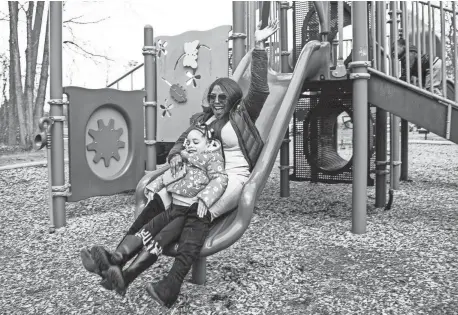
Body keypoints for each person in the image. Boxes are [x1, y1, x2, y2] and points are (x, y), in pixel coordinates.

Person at [81, 19, 279, 308]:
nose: (216, 101)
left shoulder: (241, 116)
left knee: (195, 211)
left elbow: (260, 90)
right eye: (212, 96)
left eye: (222, 97)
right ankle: (118, 259)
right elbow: (182, 141)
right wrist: (174, 155)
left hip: (232, 175)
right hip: (199, 172)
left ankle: (158, 280)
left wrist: (259, 46)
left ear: (234, 99)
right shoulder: (202, 120)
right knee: (160, 199)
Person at [81, 125, 228, 296]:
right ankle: (116, 260)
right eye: (188, 142)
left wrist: (205, 198)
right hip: (173, 207)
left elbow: (220, 178)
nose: (190, 145)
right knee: (147, 231)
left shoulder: (211, 159)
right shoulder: (185, 159)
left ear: (208, 144)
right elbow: (169, 177)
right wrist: (153, 187)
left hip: (186, 212)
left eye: (196, 142)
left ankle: (125, 277)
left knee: (159, 240)